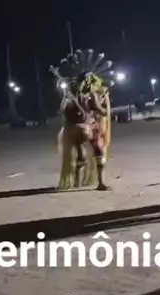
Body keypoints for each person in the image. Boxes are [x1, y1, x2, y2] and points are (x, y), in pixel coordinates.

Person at [50, 49, 113, 190]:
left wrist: (104, 107)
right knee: (87, 153)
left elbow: (98, 109)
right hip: (79, 128)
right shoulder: (73, 96)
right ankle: (84, 180)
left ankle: (97, 181)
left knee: (97, 152)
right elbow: (65, 111)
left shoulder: (90, 95)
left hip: (89, 127)